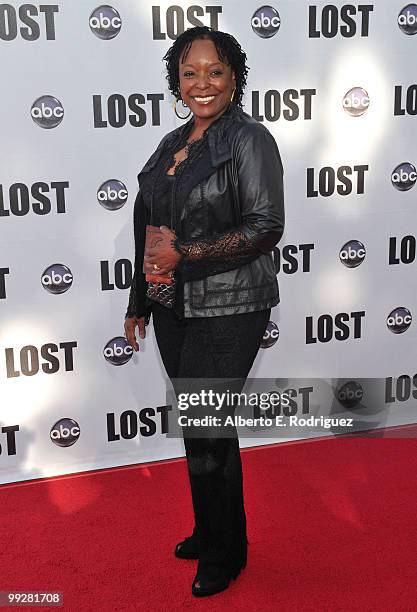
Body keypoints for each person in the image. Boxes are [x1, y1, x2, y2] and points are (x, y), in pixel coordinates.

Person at [124, 26, 285, 597]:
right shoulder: (172, 143)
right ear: (175, 81)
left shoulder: (250, 140)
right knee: (202, 426)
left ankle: (224, 555)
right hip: (173, 306)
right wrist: (139, 298)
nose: (202, 83)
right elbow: (150, 229)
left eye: (214, 71)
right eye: (190, 72)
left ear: (235, 77)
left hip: (231, 306)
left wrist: (185, 254)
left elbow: (265, 228)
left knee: (209, 424)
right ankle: (215, 530)